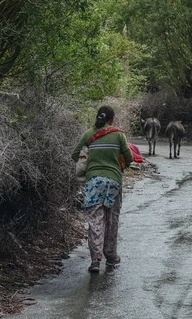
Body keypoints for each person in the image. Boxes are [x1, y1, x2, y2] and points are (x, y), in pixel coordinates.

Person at [71, 106, 133, 273]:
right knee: (112, 219)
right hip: (113, 182)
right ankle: (111, 256)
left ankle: (95, 261)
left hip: (93, 183)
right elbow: (130, 158)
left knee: (95, 221)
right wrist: (120, 164)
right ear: (111, 119)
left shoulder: (88, 134)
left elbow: (74, 155)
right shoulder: (119, 134)